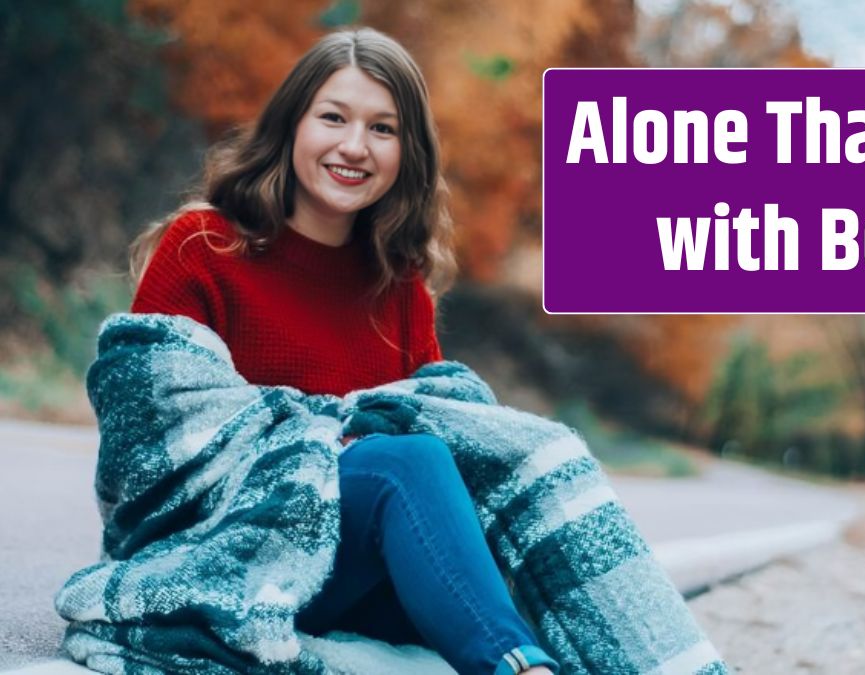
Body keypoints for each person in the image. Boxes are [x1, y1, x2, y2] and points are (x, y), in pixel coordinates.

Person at [128, 27, 557, 675]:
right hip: (218, 550)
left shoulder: (400, 284)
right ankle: (524, 668)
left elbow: (435, 425)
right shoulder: (202, 248)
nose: (354, 147)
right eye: (333, 117)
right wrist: (323, 447)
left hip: (338, 569)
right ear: (292, 125)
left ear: (406, 152)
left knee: (500, 544)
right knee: (404, 464)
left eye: (383, 129)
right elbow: (149, 449)